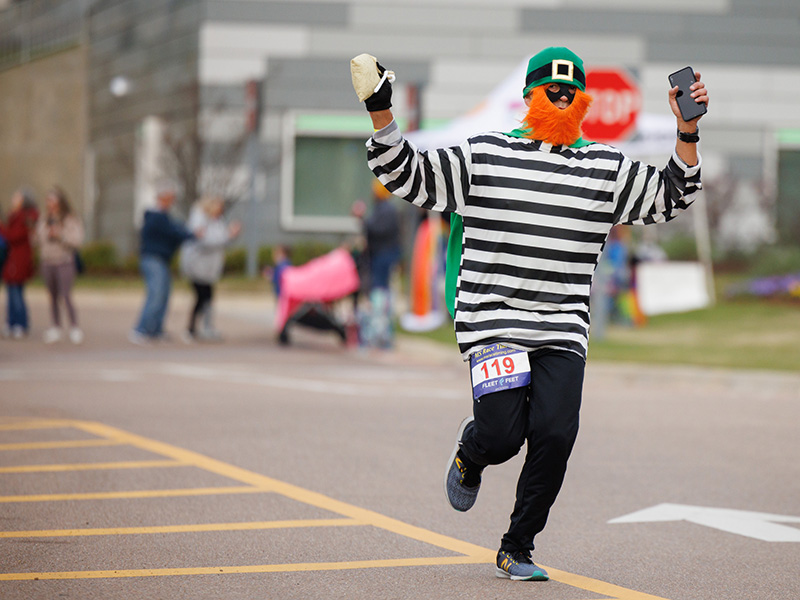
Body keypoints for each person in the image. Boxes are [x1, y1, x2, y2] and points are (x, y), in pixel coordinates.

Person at [355, 47, 708, 580]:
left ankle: (517, 545)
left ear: (584, 101)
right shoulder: (486, 155)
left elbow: (670, 196)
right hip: (494, 317)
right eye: (551, 90)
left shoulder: (603, 168)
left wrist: (687, 131)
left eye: (571, 93)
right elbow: (408, 176)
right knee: (501, 436)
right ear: (529, 97)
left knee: (556, 435)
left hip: (562, 326)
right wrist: (381, 109)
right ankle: (471, 452)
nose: (561, 99)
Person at [129, 182, 196, 345]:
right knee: (156, 294)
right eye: (169, 197)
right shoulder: (155, 216)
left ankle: (155, 330)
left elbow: (177, 231)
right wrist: (191, 234)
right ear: (161, 197)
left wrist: (189, 234)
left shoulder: (165, 217)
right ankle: (141, 329)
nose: (171, 200)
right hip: (152, 259)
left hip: (162, 260)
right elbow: (175, 232)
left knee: (164, 295)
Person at [179, 196, 241, 342]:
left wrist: (230, 236)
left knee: (207, 298)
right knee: (202, 298)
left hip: (209, 269)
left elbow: (220, 240)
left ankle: (205, 328)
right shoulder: (199, 219)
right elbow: (206, 241)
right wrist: (228, 235)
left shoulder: (216, 221)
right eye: (219, 206)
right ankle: (191, 330)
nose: (221, 210)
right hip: (197, 267)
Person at [352, 180, 402, 348]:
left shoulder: (386, 210)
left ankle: (381, 334)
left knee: (381, 295)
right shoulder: (384, 209)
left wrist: (362, 219)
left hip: (383, 259)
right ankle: (381, 333)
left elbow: (375, 229)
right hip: (382, 258)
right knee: (381, 294)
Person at [36, 186, 85, 344]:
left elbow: (77, 240)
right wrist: (46, 233)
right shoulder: (44, 219)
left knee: (66, 295)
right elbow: (37, 239)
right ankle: (55, 327)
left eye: (52, 200)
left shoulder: (69, 218)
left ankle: (74, 327)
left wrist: (60, 235)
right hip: (48, 261)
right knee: (52, 296)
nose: (49, 203)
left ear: (60, 201)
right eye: (48, 200)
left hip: (64, 261)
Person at [0, 187, 39, 339]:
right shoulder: (14, 216)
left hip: (20, 260)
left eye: (17, 198)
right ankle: (11, 322)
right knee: (11, 293)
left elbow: (14, 236)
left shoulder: (26, 218)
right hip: (12, 259)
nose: (13, 200)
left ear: (24, 201)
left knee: (17, 294)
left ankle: (21, 324)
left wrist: (2, 228)